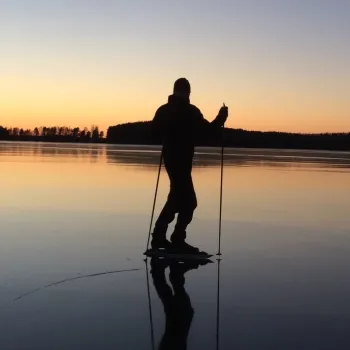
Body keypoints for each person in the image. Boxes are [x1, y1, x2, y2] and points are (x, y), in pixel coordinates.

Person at [151, 78, 228, 254]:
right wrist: (221, 118)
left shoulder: (164, 110)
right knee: (188, 201)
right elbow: (208, 132)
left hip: (172, 159)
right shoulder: (190, 111)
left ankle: (162, 236)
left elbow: (153, 132)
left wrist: (166, 133)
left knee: (177, 197)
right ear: (188, 93)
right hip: (180, 160)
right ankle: (172, 238)